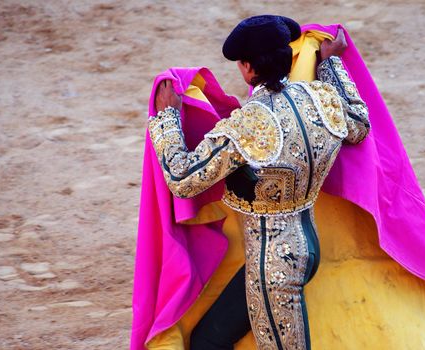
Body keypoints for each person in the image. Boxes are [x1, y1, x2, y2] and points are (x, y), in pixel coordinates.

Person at [147, 15, 370, 350]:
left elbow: (182, 177)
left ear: (248, 68)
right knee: (207, 341)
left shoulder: (248, 125)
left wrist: (167, 117)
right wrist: (330, 62)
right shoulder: (321, 100)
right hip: (306, 248)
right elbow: (358, 121)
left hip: (273, 271)